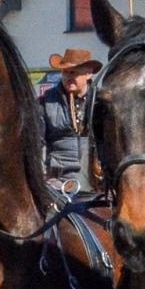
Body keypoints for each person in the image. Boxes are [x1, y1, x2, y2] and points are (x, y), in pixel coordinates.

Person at [40, 48, 102, 186]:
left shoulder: (101, 101)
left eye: (73, 72)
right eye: (65, 72)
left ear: (88, 74)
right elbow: (38, 142)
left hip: (97, 181)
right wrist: (42, 175)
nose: (68, 77)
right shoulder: (46, 101)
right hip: (58, 181)